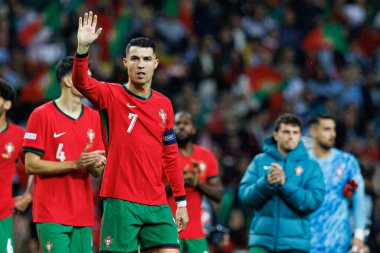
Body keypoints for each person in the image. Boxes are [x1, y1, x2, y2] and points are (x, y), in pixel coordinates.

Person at [73, 11, 189, 253]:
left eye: (146, 59)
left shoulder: (164, 104)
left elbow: (170, 155)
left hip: (156, 202)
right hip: (120, 199)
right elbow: (82, 82)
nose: (140, 65)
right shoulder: (111, 95)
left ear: (156, 64)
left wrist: (181, 201)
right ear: (125, 63)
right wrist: (83, 49)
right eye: (134, 59)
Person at [23, 56, 105, 253]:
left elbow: (96, 171)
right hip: (51, 213)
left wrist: (96, 163)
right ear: (69, 80)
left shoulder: (94, 117)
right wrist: (74, 164)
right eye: (86, 77)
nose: (90, 83)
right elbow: (31, 165)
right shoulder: (41, 115)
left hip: (83, 214)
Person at [238, 113, 325, 253]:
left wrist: (285, 185)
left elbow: (313, 201)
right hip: (261, 242)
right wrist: (265, 183)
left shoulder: (311, 166)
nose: (290, 136)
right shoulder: (259, 161)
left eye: (295, 132)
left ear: (300, 136)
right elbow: (244, 196)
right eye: (285, 132)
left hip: (294, 245)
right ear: (276, 135)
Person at [308, 114, 369, 253]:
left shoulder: (347, 162)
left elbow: (358, 197)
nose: (332, 134)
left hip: (339, 242)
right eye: (326, 129)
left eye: (333, 129)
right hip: (308, 243)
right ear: (313, 132)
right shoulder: (301, 164)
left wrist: (359, 235)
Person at [165, 111, 223, 253]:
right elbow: (151, 191)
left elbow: (218, 195)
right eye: (178, 124)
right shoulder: (163, 154)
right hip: (168, 232)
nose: (181, 127)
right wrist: (180, 183)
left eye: (186, 124)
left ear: (194, 129)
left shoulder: (206, 156)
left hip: (197, 234)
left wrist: (198, 183)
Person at [0, 79, 32, 253]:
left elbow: (36, 167)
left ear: (7, 104)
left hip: (3, 215)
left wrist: (28, 196)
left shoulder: (19, 135)